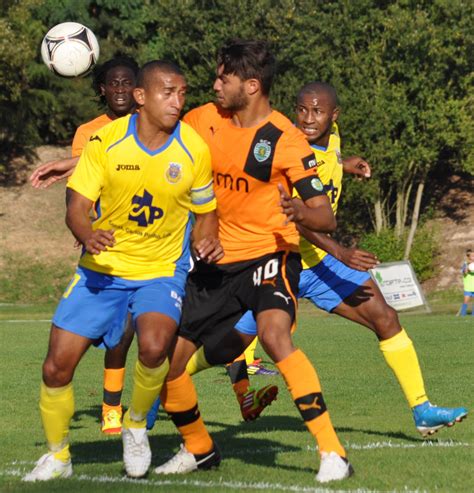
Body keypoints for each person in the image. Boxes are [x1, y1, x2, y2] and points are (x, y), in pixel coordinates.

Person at [153, 39, 353, 484]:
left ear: (252, 85)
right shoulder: (204, 119)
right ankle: (200, 448)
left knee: (275, 336)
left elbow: (326, 216)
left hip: (270, 254)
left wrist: (302, 211)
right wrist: (75, 164)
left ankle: (333, 453)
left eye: (223, 76)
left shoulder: (284, 138)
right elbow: (147, 146)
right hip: (215, 262)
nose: (215, 83)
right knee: (166, 362)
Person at [221, 81, 468, 436]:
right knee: (226, 344)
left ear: (334, 116)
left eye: (318, 111)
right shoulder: (288, 148)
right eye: (302, 110)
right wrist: (340, 251)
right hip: (281, 261)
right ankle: (167, 386)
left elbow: (328, 155)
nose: (308, 118)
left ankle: (422, 408)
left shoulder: (331, 137)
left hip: (319, 263)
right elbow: (291, 214)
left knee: (385, 316)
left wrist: (345, 163)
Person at [23, 60, 222, 482]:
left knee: (153, 346)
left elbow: (207, 211)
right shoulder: (106, 141)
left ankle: (134, 425)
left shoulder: (193, 149)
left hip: (160, 269)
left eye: (183, 93)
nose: (178, 101)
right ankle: (58, 455)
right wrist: (87, 232)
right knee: (56, 367)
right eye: (168, 92)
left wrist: (207, 236)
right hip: (102, 269)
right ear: (141, 97)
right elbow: (76, 207)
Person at [30, 57, 141, 435]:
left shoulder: (152, 124)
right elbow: (81, 182)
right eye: (115, 83)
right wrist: (82, 227)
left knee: (128, 333)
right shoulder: (89, 132)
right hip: (100, 242)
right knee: (86, 334)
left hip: (145, 244)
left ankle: (112, 409)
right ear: (103, 90)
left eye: (129, 83)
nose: (122, 90)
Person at [460, 249, 474, 316]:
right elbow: (464, 273)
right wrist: (468, 268)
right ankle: (463, 314)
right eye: (472, 256)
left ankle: (473, 315)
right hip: (468, 287)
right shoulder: (465, 264)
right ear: (468, 257)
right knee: (465, 301)